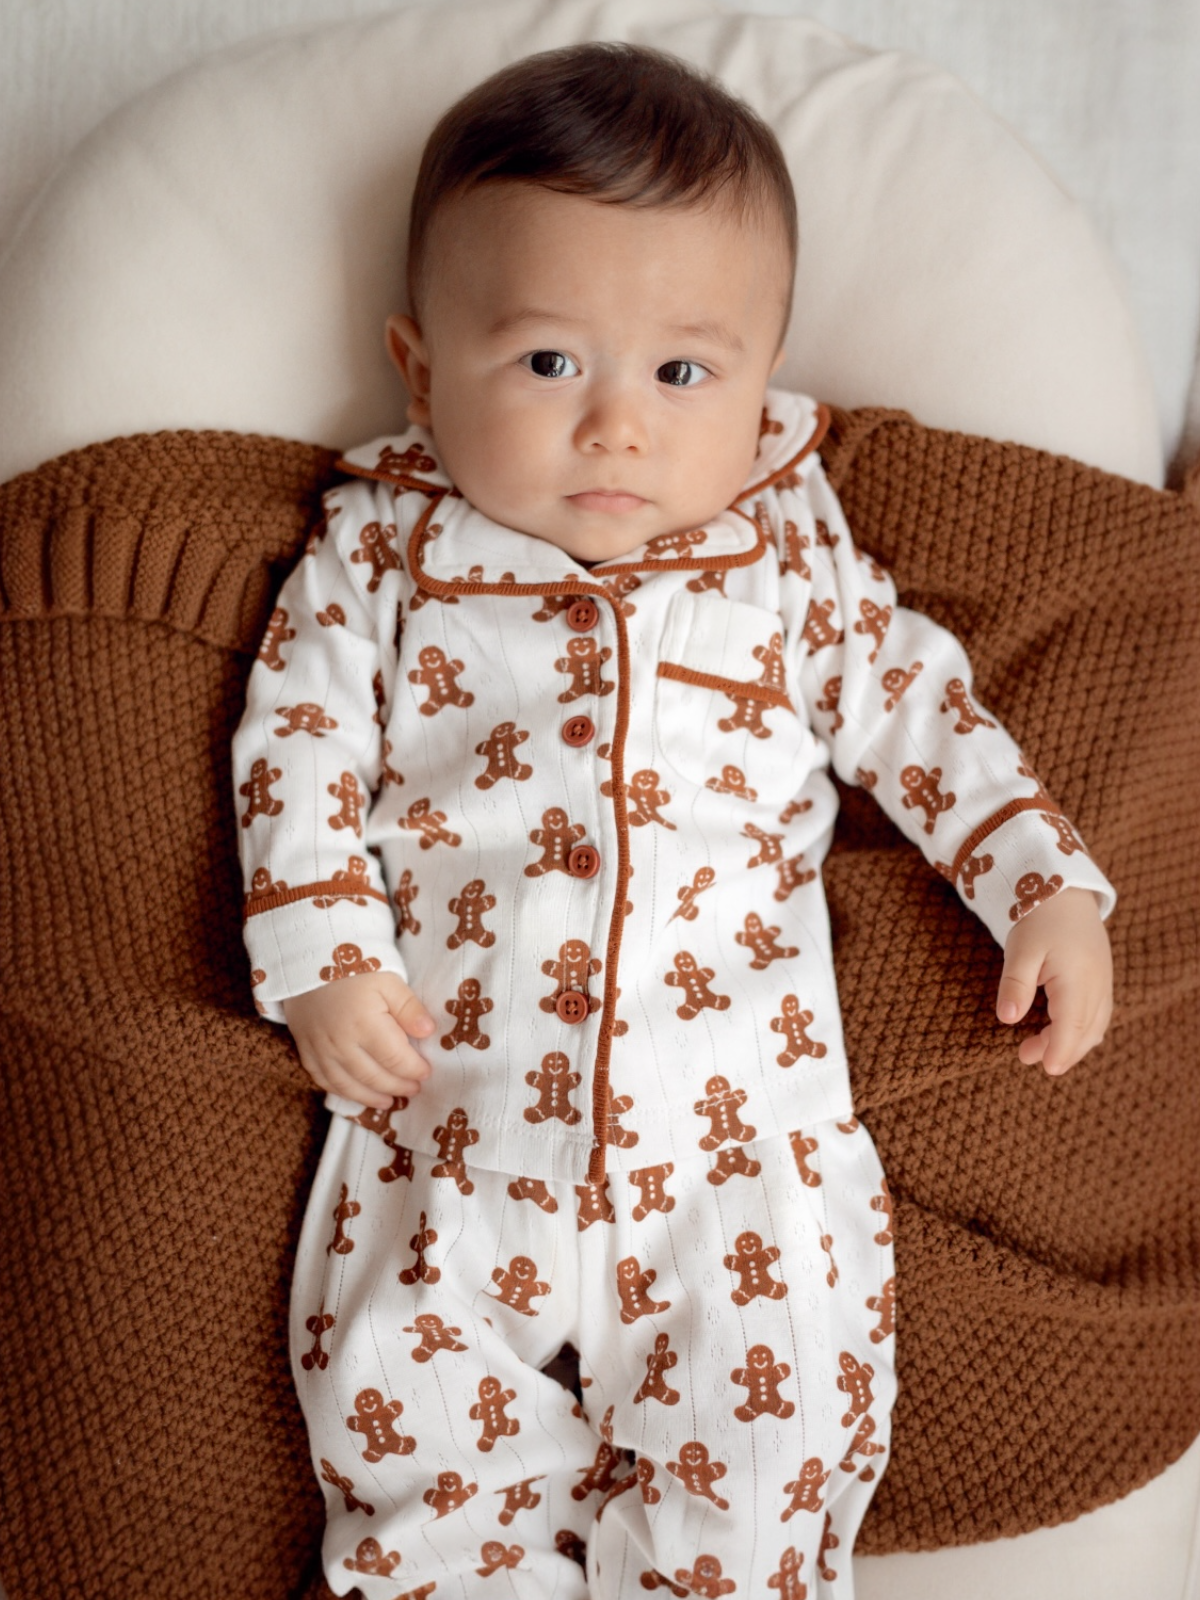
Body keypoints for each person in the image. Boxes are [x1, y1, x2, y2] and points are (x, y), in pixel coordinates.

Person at [232, 40, 1114, 1599]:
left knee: (765, 1481)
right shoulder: (380, 561)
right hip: (450, 1130)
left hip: (742, 1166)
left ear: (763, 384)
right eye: (552, 363)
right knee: (414, 1458)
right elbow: (293, 749)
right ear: (424, 368)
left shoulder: (787, 564)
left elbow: (923, 709)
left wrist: (1042, 883)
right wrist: (322, 955)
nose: (618, 429)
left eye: (683, 374)